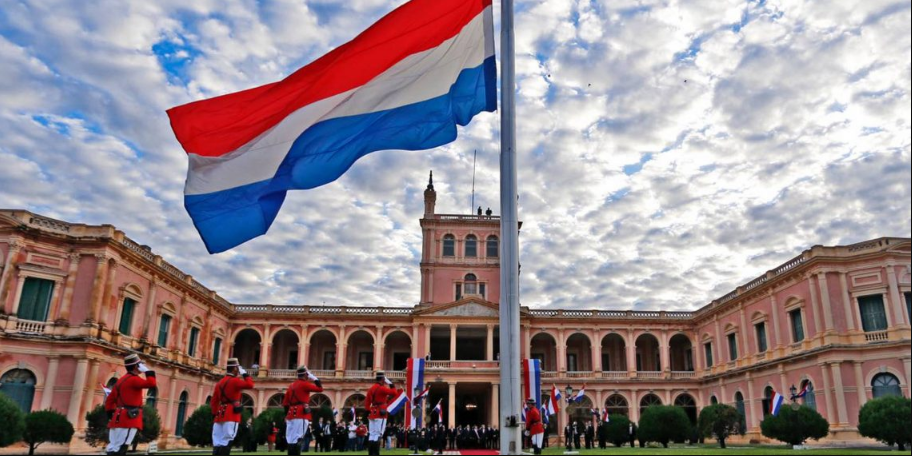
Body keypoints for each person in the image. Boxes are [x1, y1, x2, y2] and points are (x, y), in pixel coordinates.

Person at [104, 354, 156, 456]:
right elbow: (151, 384)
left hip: (117, 418)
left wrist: (112, 416)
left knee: (113, 447)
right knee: (121, 448)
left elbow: (109, 401)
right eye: (140, 364)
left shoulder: (121, 380)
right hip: (128, 419)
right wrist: (148, 371)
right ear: (137, 366)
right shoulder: (134, 379)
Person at [210, 358, 255, 456]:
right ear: (235, 368)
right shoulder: (235, 381)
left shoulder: (220, 383)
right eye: (238, 368)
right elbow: (250, 384)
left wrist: (214, 415)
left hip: (219, 415)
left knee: (217, 442)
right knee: (227, 440)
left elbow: (214, 402)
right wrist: (245, 374)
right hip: (231, 414)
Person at [283, 366, 323, 456]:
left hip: (290, 414)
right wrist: (314, 377)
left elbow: (285, 403)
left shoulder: (291, 385)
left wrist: (286, 416)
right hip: (301, 413)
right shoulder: (305, 384)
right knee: (299, 437)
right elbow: (320, 389)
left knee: (290, 438)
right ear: (306, 375)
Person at [364, 371, 399, 456]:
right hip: (381, 413)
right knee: (378, 433)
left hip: (372, 413)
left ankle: (371, 453)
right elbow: (394, 393)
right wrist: (391, 384)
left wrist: (369, 411)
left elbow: (367, 403)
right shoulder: (382, 388)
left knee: (372, 433)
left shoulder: (371, 388)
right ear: (383, 379)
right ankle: (375, 453)